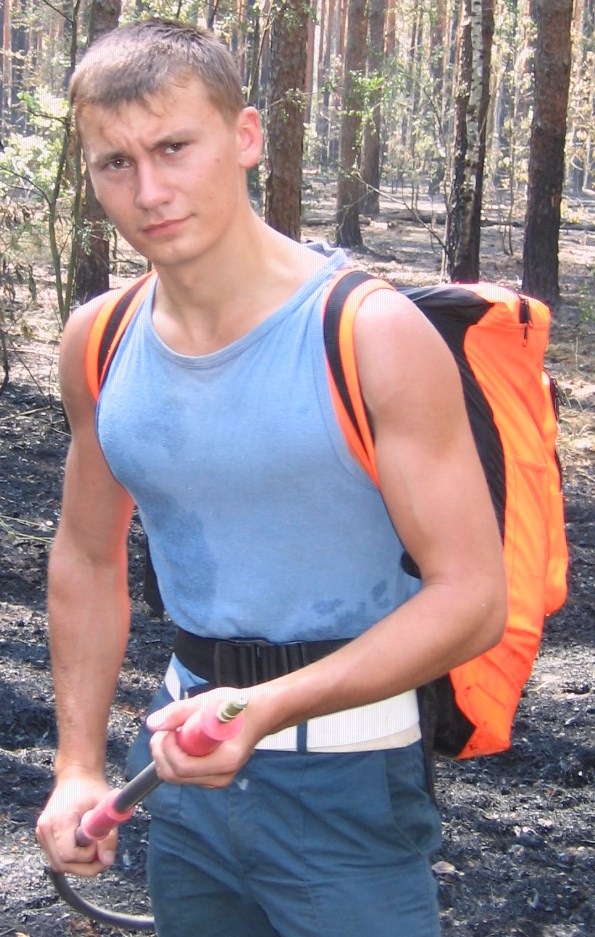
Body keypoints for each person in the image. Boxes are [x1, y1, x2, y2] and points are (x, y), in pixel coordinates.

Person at [36, 18, 506, 937]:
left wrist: (264, 707)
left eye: (174, 147)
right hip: (180, 774)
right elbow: (86, 557)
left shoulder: (367, 334)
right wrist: (78, 765)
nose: (149, 191)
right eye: (115, 163)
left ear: (245, 136)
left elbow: (472, 598)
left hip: (348, 786)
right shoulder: (99, 338)